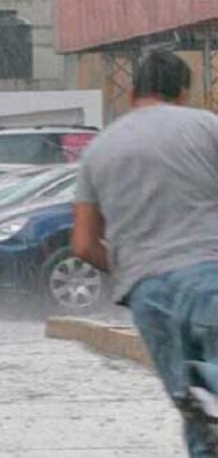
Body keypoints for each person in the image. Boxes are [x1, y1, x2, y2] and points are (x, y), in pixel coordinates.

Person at [73, 50, 218, 456]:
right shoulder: (208, 127)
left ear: (133, 91)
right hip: (209, 276)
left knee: (199, 417)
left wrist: (132, 272)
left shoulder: (98, 151)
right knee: (209, 388)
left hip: (147, 294)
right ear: (184, 92)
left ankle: (203, 394)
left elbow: (83, 244)